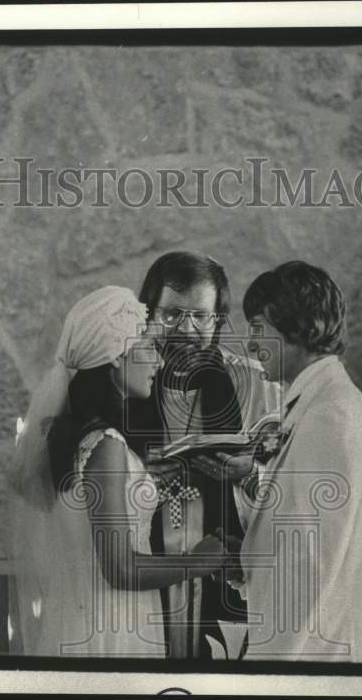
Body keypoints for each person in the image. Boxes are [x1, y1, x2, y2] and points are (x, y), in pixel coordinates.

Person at [6, 286, 229, 658]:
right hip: (110, 627)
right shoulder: (106, 443)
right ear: (116, 358)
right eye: (147, 349)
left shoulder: (76, 436)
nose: (157, 362)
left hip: (81, 617)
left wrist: (142, 483)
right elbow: (120, 568)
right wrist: (200, 561)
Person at [232, 261, 362, 663]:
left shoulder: (330, 416)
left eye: (257, 328)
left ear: (294, 325)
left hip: (323, 654)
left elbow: (307, 562)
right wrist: (247, 479)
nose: (250, 345)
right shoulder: (319, 404)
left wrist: (266, 673)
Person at [124, 251, 280, 659]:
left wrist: (248, 474)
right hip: (149, 568)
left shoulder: (254, 384)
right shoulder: (127, 383)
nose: (185, 329)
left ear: (218, 320)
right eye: (172, 315)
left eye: (200, 317)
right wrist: (137, 479)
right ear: (149, 314)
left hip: (224, 561)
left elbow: (289, 476)